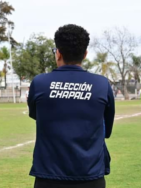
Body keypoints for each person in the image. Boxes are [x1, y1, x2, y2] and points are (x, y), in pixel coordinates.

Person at [28, 24, 115, 188]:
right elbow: (106, 130)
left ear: (58, 52)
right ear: (85, 54)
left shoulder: (39, 83)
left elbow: (36, 114)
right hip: (90, 177)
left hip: (49, 178)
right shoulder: (102, 84)